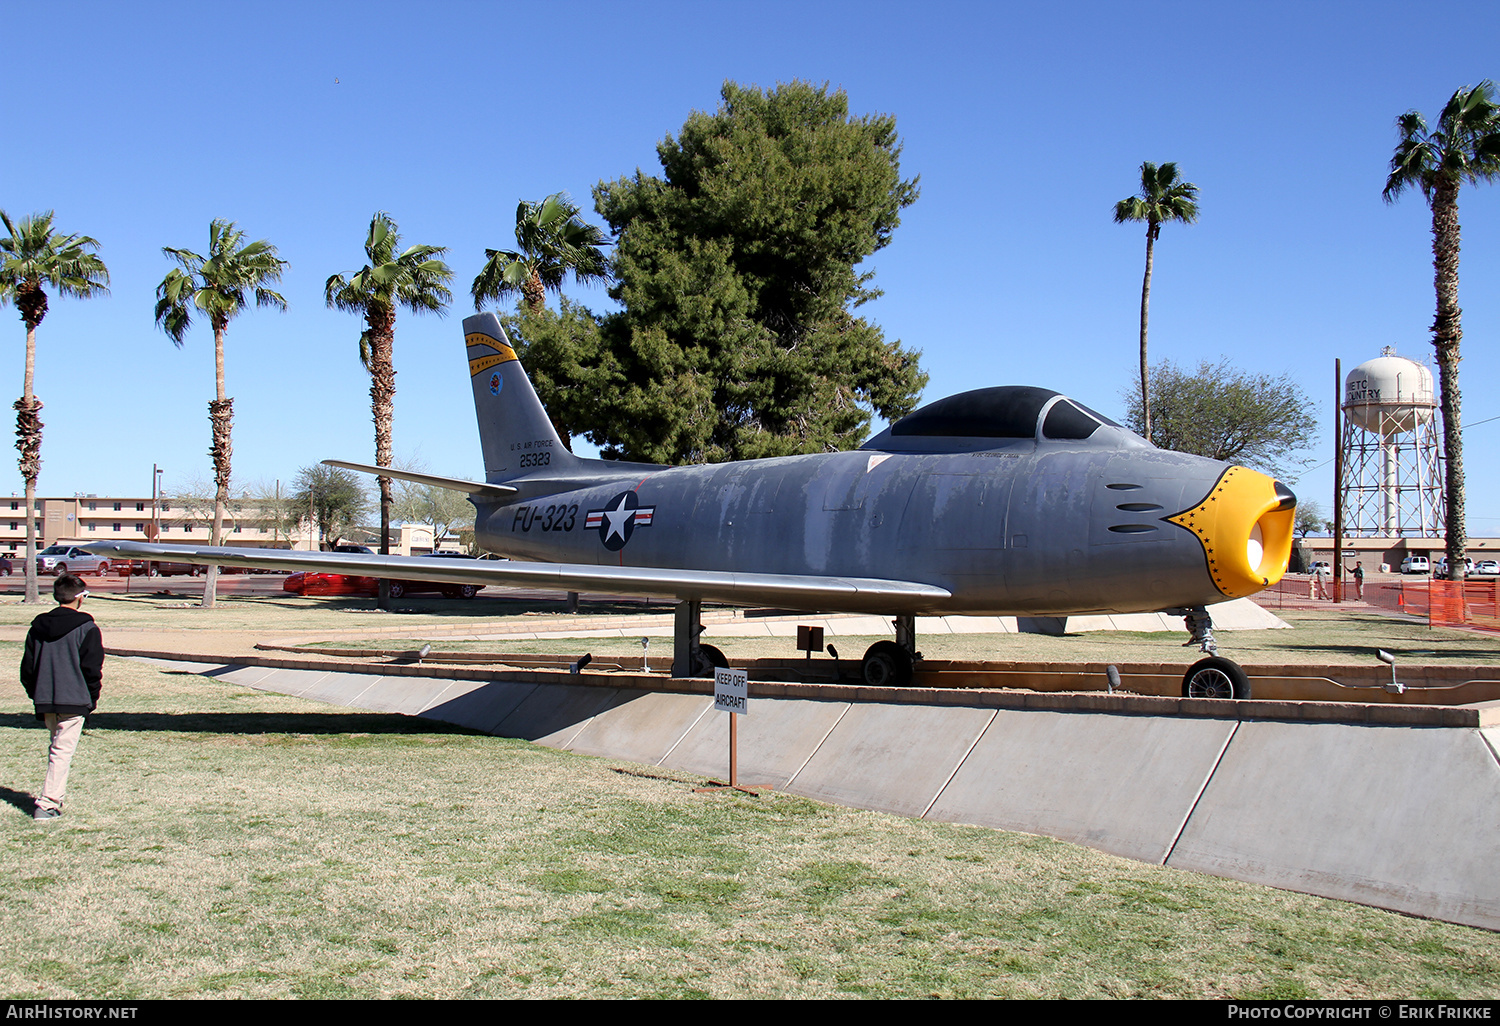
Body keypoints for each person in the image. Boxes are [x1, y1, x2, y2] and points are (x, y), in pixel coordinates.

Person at [20, 573, 103, 821]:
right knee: (61, 752)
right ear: (79, 598)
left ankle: (52, 798)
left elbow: (28, 669)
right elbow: (92, 669)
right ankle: (47, 804)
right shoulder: (87, 628)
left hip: (47, 699)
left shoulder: (37, 628)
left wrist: (37, 694)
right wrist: (92, 698)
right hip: (74, 700)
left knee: (56, 748)